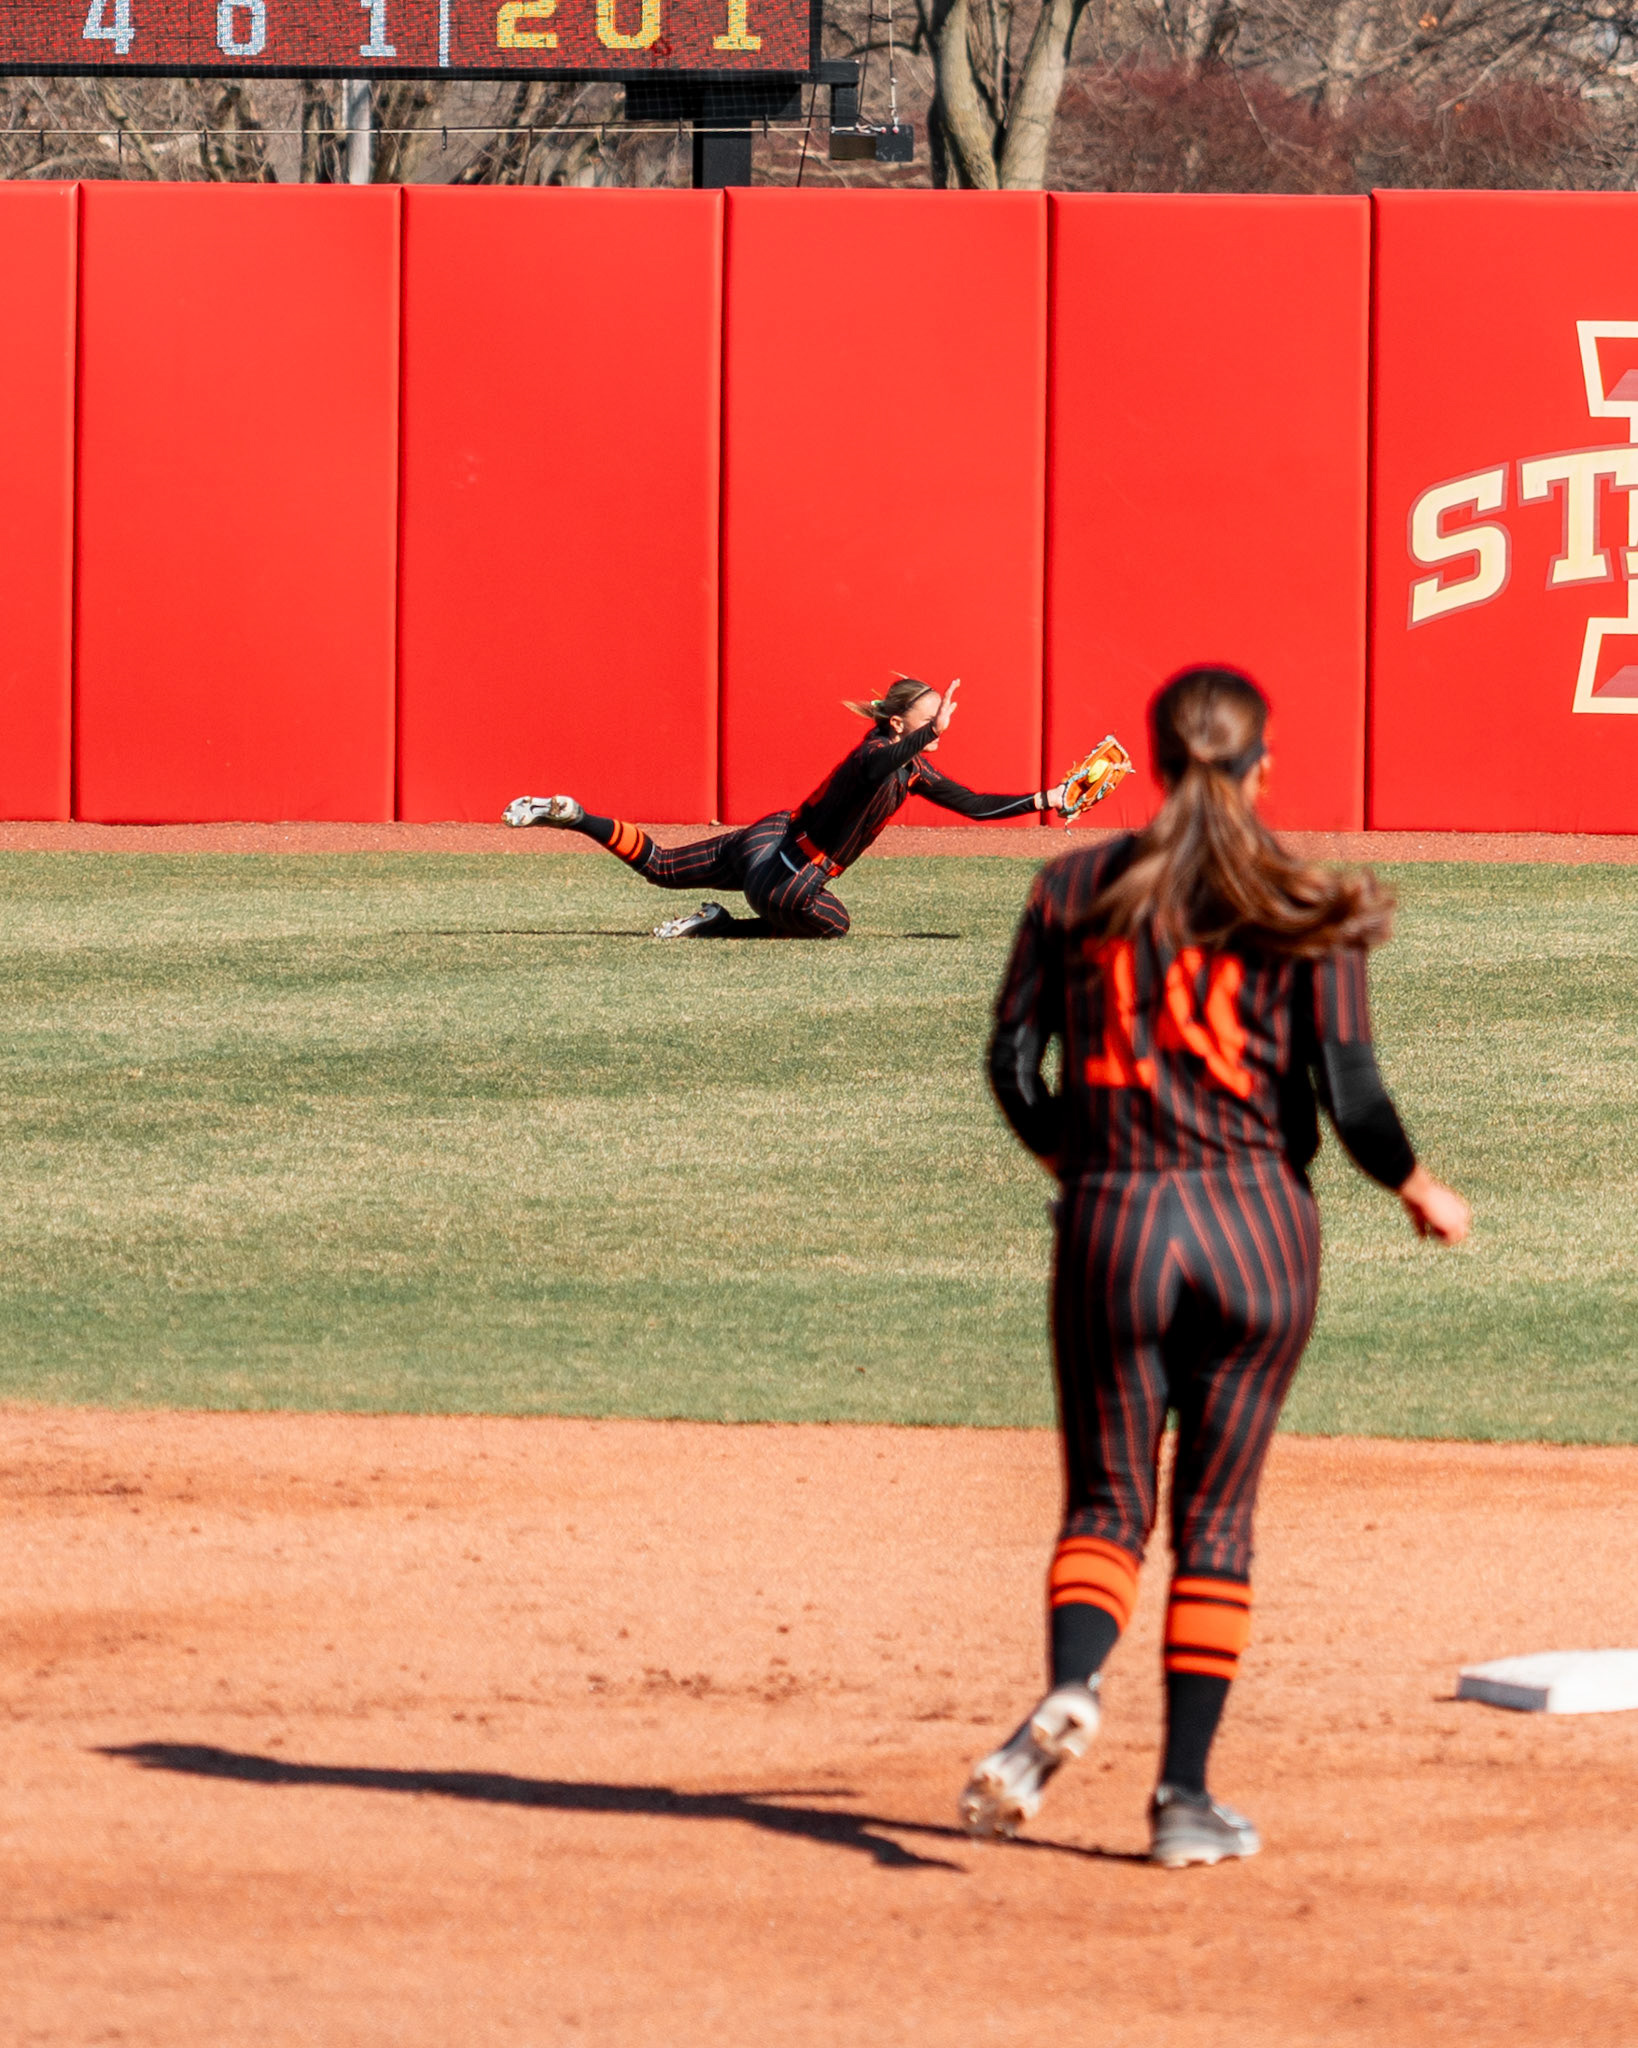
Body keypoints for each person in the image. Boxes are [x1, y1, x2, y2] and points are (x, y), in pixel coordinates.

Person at [960, 665, 1469, 1869]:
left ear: (1150, 763)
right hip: (1257, 1232)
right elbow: (1351, 1095)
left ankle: (1072, 1685)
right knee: (1217, 1518)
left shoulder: (1072, 885)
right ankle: (1184, 1798)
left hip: (1116, 1225)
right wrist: (1415, 1185)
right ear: (1261, 766)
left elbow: (1012, 1062)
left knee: (1106, 1503)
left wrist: (1077, 1161)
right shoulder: (1302, 894)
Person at [501, 678, 1066, 939]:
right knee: (836, 925)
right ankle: (721, 927)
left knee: (662, 866)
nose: (942, 723)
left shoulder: (911, 766)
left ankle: (576, 816)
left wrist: (1050, 798)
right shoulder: (874, 753)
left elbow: (975, 806)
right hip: (790, 877)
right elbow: (878, 769)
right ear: (898, 724)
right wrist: (930, 733)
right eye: (931, 717)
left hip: (767, 839)